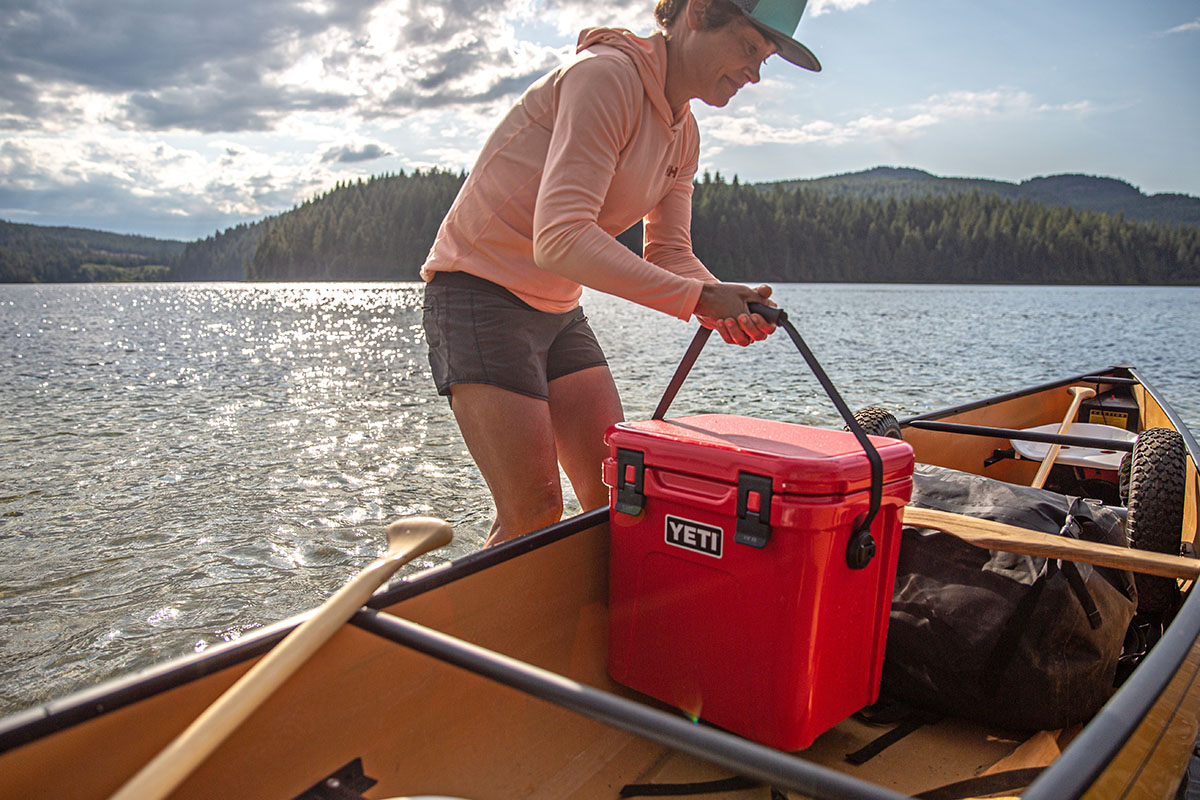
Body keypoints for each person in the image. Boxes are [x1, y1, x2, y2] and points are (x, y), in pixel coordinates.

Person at [421, 0, 821, 546]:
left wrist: (724, 303)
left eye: (765, 58)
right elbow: (559, 240)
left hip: (557, 310)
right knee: (534, 511)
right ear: (699, 13)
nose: (755, 72)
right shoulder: (605, 78)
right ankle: (442, 628)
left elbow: (669, 252)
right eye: (750, 47)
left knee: (616, 498)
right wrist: (698, 298)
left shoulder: (684, 133)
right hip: (478, 291)